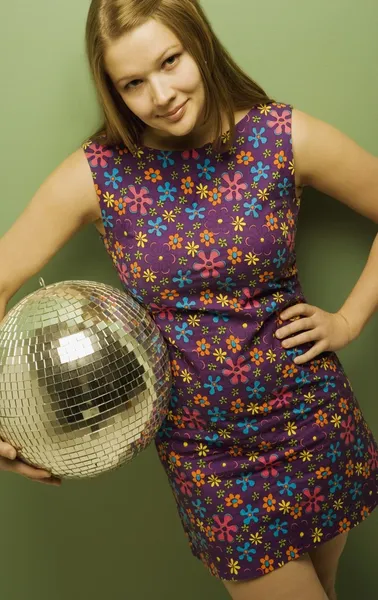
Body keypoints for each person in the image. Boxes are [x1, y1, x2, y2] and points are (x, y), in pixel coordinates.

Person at [0, 0, 377, 598]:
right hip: (210, 456)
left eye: (170, 61)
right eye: (133, 82)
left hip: (314, 423)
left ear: (198, 43)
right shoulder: (98, 175)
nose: (161, 93)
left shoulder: (280, 135)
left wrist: (349, 320)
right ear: (114, 90)